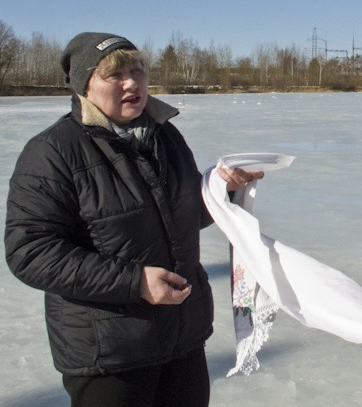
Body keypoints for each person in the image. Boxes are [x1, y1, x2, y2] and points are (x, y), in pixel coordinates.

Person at [5, 32, 259, 407]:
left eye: (137, 71)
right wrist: (134, 281)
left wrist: (225, 191)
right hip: (109, 354)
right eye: (115, 75)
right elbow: (31, 251)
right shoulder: (52, 152)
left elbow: (183, 215)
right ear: (84, 86)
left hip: (181, 338)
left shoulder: (165, 136)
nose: (132, 83)